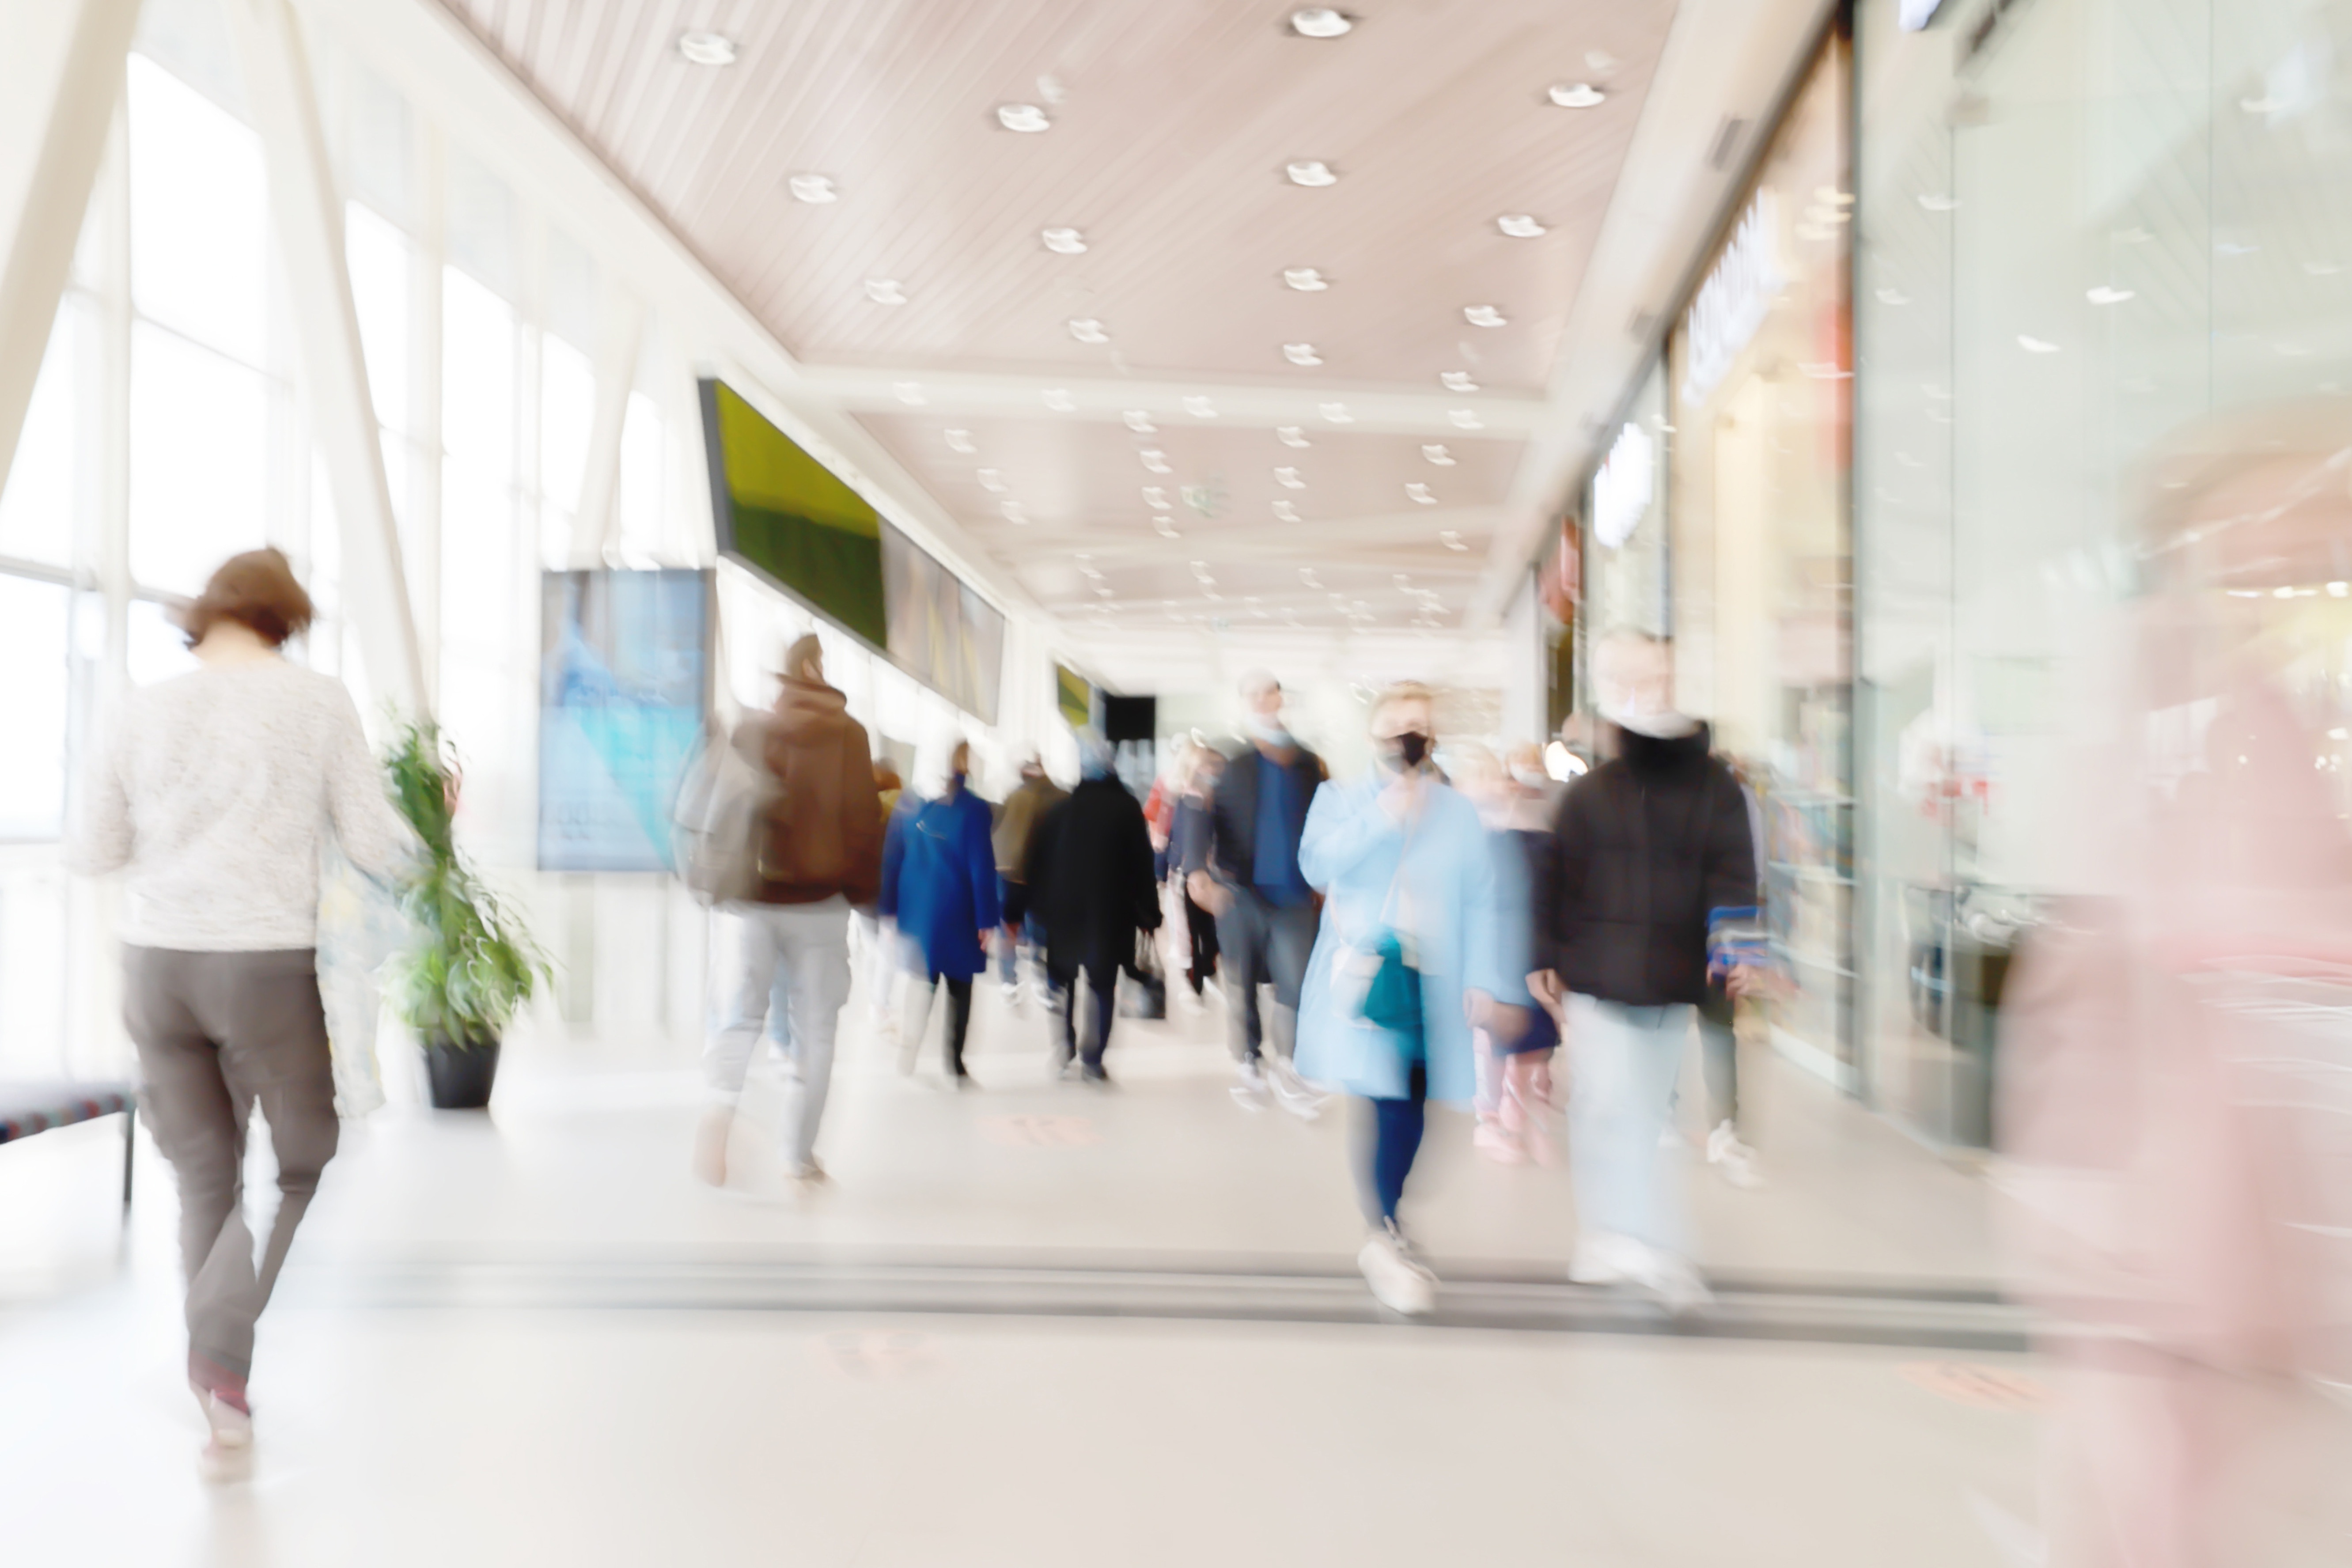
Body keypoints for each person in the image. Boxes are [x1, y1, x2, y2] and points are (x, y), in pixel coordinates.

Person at [67, 547, 416, 1476]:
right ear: (286, 617)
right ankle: (222, 1346)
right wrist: (438, 828)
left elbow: (95, 851)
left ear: (208, 612)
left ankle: (219, 1379)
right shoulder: (316, 700)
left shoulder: (140, 705)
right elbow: (381, 845)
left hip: (156, 965)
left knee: (203, 1180)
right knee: (305, 1156)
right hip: (262, 963)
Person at [1530, 632, 1760, 1313]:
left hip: (1671, 975)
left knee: (1638, 1112)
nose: (1644, 689)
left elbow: (1732, 870)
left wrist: (1738, 953)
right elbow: (1553, 875)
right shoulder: (1590, 792)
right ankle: (1639, 1240)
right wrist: (1540, 957)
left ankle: (1619, 1234)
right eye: (1626, 678)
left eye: (1653, 675)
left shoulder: (1714, 786)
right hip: (1596, 977)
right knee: (1613, 1107)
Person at [1293, 683, 1519, 1316]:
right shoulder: (1339, 798)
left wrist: (1483, 978)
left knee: (1420, 1107)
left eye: (1418, 726)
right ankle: (1383, 1230)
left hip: (1437, 977)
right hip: (1372, 976)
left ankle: (1390, 1215)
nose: (1407, 738)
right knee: (1384, 1099)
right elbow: (1315, 864)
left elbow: (1482, 896)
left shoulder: (1458, 811)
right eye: (1396, 727)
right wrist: (1383, 814)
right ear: (1374, 736)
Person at [694, 634, 883, 1192]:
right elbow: (862, 821)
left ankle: (720, 1108)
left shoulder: (755, 729)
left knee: (740, 1016)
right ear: (821, 672)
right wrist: (862, 892)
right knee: (817, 1032)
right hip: (821, 904)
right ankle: (798, 1155)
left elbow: (723, 807)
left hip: (752, 899)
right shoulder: (849, 735)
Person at [1184, 669, 1328, 1117]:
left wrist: (1330, 880)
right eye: (1253, 694)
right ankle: (1249, 1060)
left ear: (1280, 698)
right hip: (1239, 892)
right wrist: (1195, 871)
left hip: (1294, 896)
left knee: (1297, 985)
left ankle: (1291, 1066)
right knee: (1241, 983)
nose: (1263, 700)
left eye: (1269, 692)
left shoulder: (1308, 764)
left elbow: (1327, 821)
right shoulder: (1227, 761)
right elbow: (1196, 810)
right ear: (1245, 702)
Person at [1008, 731, 1160, 1084]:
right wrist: (1150, 914)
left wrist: (1017, 914)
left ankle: (1065, 1048)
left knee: (1063, 983)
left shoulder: (1060, 810)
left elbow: (1032, 865)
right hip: (1110, 916)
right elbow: (1142, 865)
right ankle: (1093, 1059)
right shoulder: (1126, 809)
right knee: (1102, 985)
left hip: (1062, 917)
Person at [1451, 743, 1559, 1167]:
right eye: (1476, 777)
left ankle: (1513, 1108)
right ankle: (1489, 1120)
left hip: (1515, 952)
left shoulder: (1510, 829)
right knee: (1489, 1044)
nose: (1488, 785)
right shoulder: (1462, 835)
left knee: (1520, 1041)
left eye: (1489, 776)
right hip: (1483, 959)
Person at [879, 738, 999, 1085]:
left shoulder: (909, 802)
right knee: (960, 988)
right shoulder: (974, 808)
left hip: (919, 913)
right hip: (960, 911)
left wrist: (888, 909)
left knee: (921, 982)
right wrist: (987, 919)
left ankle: (909, 1051)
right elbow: (981, 866)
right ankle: (955, 1063)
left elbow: (891, 859)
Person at [990, 747, 1066, 1007]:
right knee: (1042, 930)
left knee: (1009, 928)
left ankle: (1009, 980)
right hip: (1045, 877)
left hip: (1011, 875)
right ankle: (1043, 980)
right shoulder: (1060, 796)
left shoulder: (1014, 796)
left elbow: (1001, 837)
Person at [1173, 746, 1224, 1002]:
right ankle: (1196, 985)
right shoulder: (1188, 799)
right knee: (1194, 932)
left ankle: (1207, 969)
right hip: (1192, 875)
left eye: (1215, 766)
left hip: (1217, 876)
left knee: (1212, 932)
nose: (1211, 771)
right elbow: (1179, 836)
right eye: (1207, 766)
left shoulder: (1218, 800)